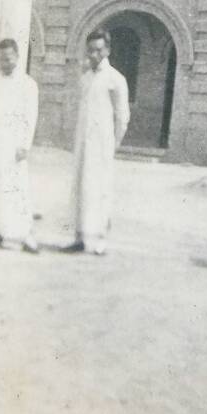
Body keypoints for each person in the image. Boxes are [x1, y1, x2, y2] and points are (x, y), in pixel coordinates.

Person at [63, 29, 130, 255]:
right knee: (81, 187)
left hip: (102, 145)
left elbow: (122, 117)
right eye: (90, 50)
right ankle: (80, 237)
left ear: (108, 50)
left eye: (99, 50)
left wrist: (113, 144)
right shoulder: (85, 78)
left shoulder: (115, 79)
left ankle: (100, 239)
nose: (94, 54)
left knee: (100, 190)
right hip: (84, 142)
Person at [0, 38, 40, 253]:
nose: (6, 62)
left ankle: (17, 234)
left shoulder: (28, 84)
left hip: (14, 144)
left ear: (17, 57)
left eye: (9, 58)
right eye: (2, 58)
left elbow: (30, 117)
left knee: (14, 188)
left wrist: (25, 145)